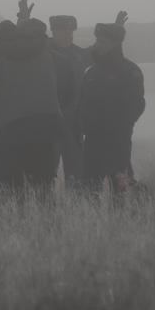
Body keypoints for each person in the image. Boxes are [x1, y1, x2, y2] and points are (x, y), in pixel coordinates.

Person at [0, 15, 73, 197]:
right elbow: (67, 93)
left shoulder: (3, 59)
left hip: (12, 129)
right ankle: (44, 221)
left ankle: (17, 222)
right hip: (46, 128)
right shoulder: (54, 59)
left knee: (14, 188)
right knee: (44, 186)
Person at [78, 15, 145, 193]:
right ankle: (91, 220)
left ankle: (123, 216)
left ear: (115, 44)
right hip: (92, 140)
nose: (97, 45)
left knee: (120, 188)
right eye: (97, 40)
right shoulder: (91, 72)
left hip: (118, 140)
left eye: (102, 41)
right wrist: (85, 124)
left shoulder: (131, 71)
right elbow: (83, 103)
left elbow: (137, 105)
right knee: (90, 188)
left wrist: (120, 125)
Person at [48, 14, 89, 188]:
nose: (68, 33)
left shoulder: (78, 54)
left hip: (74, 123)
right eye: (63, 29)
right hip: (50, 121)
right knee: (47, 170)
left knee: (76, 172)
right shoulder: (43, 51)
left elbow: (100, 51)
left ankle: (76, 205)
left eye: (70, 30)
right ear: (53, 31)